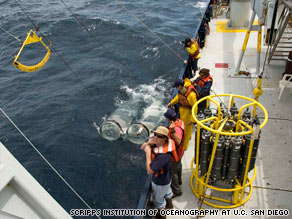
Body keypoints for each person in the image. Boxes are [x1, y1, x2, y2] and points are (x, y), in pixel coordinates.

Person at [141, 126, 177, 218]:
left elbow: (149, 171)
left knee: (158, 202)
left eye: (159, 136)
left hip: (160, 182)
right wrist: (148, 143)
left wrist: (148, 152)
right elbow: (142, 147)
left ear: (165, 139)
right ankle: (170, 205)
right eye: (155, 134)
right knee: (167, 192)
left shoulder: (164, 156)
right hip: (167, 177)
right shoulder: (158, 143)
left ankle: (161, 216)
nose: (155, 137)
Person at [168, 78, 198, 151]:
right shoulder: (181, 91)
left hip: (188, 113)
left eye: (176, 86)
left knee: (186, 131)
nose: (176, 88)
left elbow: (195, 107)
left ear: (180, 86)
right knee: (185, 128)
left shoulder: (191, 95)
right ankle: (188, 138)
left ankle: (184, 147)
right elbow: (178, 97)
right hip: (182, 112)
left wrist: (192, 119)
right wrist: (171, 102)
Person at [164, 108, 185, 198]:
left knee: (172, 173)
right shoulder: (180, 121)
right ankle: (180, 181)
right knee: (178, 166)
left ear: (169, 119)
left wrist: (172, 131)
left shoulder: (176, 129)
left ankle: (177, 191)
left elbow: (178, 141)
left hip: (175, 154)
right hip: (180, 152)